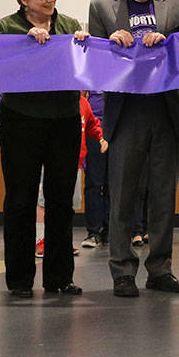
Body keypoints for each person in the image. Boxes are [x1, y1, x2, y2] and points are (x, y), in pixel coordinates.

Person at [89, 0, 179, 297]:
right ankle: (122, 270)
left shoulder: (178, 2)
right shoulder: (102, 6)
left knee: (164, 195)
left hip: (165, 111)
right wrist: (110, 42)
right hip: (126, 112)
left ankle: (160, 269)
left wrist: (169, 41)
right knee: (122, 195)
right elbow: (95, 63)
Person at [0, 0, 86, 297]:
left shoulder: (70, 24)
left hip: (65, 119)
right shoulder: (7, 27)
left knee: (62, 200)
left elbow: (83, 66)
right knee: (21, 199)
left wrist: (85, 47)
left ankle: (60, 277)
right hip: (22, 120)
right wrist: (25, 44)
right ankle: (19, 279)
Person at [79, 91, 110, 247]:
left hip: (115, 132)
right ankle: (94, 232)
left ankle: (110, 231)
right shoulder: (88, 77)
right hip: (93, 132)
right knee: (94, 183)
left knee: (114, 185)